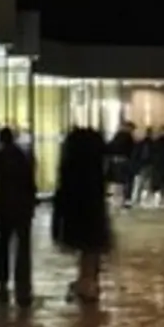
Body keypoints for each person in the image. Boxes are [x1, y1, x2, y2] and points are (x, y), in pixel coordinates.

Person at [52, 125, 112, 303]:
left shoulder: (70, 169)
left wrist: (57, 222)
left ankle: (85, 284)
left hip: (75, 215)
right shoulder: (96, 169)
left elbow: (62, 195)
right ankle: (88, 284)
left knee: (86, 251)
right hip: (93, 215)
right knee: (91, 252)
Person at [0, 127, 38, 305]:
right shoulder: (22, 156)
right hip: (22, 206)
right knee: (23, 245)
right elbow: (29, 181)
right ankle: (22, 279)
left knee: (3, 243)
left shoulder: (0, 156)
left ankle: (2, 279)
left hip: (5, 206)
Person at [107, 122, 138, 209]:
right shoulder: (128, 138)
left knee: (117, 181)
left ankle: (115, 199)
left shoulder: (116, 137)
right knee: (127, 181)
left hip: (115, 161)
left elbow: (110, 147)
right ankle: (126, 200)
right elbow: (133, 151)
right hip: (126, 161)